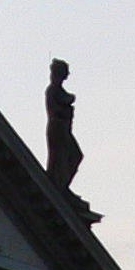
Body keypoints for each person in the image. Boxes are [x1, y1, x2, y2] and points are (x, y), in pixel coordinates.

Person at [45, 57, 82, 194]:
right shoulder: (52, 90)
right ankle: (59, 185)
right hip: (58, 129)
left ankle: (62, 185)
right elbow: (57, 108)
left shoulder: (58, 90)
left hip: (64, 129)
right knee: (59, 158)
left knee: (73, 156)